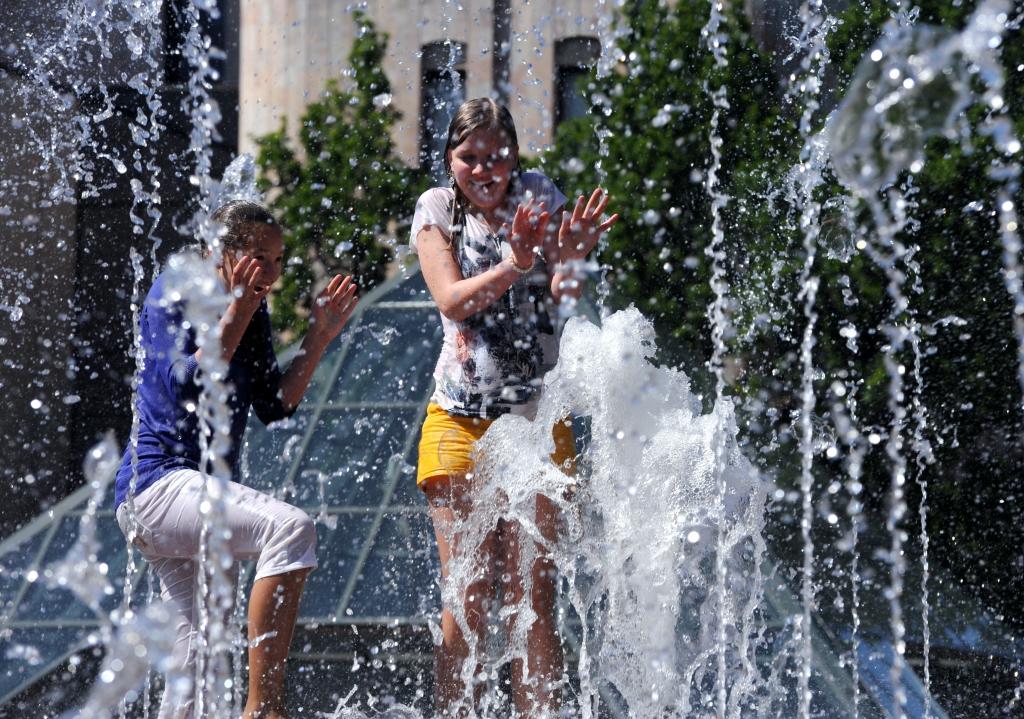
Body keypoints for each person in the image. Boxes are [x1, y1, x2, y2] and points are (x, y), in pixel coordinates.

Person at [411, 97, 617, 717]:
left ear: (513, 156)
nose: (483, 170)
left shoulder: (537, 194)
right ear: (451, 160)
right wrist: (515, 263)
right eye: (468, 158)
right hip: (458, 422)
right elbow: (451, 300)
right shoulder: (438, 209)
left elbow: (563, 295)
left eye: (494, 157)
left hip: (533, 425)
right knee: (467, 600)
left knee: (533, 599)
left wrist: (573, 258)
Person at [113, 200, 358, 719]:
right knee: (289, 530)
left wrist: (318, 337)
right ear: (222, 252)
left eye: (277, 260)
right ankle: (262, 710)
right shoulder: (174, 292)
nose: (271, 273)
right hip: (155, 487)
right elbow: (187, 384)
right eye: (260, 257)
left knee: (195, 678)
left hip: (192, 501)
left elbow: (275, 403)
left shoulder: (255, 308)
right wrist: (239, 310)